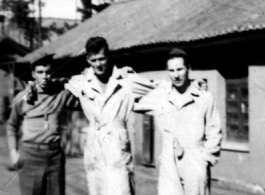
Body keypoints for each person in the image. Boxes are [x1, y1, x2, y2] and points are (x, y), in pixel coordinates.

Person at [65, 36, 162, 195]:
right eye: (94, 60)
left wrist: (192, 87)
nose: (98, 64)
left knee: (122, 189)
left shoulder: (125, 80)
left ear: (109, 56)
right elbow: (61, 91)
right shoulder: (81, 82)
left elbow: (156, 88)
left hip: (117, 147)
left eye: (102, 59)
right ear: (88, 60)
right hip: (95, 147)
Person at [134, 48, 222, 195]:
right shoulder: (161, 96)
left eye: (180, 69)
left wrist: (206, 159)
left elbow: (214, 129)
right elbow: (132, 95)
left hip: (195, 157)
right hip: (169, 159)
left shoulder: (204, 97)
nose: (176, 75)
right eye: (171, 70)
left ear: (189, 68)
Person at [6, 55, 80, 195]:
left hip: (55, 157)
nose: (45, 76)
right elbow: (11, 125)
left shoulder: (61, 95)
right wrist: (13, 151)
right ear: (33, 74)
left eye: (49, 72)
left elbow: (85, 102)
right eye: (40, 72)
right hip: (30, 155)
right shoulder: (23, 97)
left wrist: (64, 82)